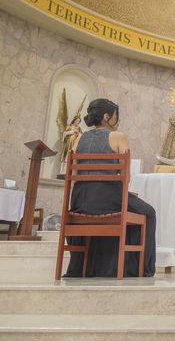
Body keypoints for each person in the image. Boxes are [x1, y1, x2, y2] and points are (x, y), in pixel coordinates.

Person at [65, 98, 156, 278]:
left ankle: (87, 266)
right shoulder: (118, 137)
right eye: (116, 116)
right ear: (107, 117)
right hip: (107, 200)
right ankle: (139, 268)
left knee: (128, 203)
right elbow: (126, 178)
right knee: (148, 212)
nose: (118, 120)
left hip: (79, 202)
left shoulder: (78, 139)